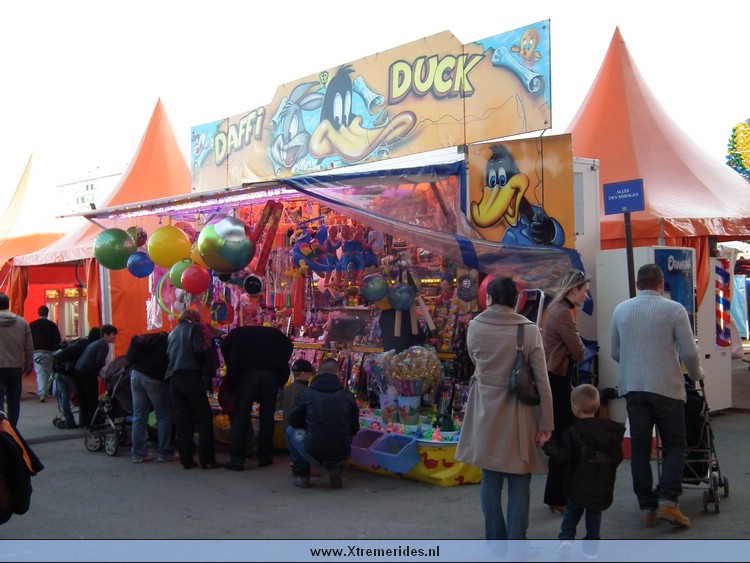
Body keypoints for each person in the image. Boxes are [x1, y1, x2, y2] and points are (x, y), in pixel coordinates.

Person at [455, 277, 554, 551]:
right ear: (516, 300)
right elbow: (542, 380)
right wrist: (546, 423)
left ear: (488, 298)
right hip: (520, 413)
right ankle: (517, 545)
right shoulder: (528, 330)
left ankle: (495, 542)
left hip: (485, 410)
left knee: (490, 478)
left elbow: (474, 359)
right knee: (520, 479)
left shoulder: (475, 326)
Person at [611, 263, 705, 528]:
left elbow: (615, 352)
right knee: (675, 444)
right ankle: (668, 500)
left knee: (640, 450)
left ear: (637, 285)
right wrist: (697, 374)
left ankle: (647, 507)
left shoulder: (621, 310)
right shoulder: (674, 309)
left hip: (633, 387)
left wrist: (635, 363)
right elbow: (689, 352)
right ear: (661, 285)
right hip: (666, 388)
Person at [542, 384, 625, 558]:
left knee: (573, 511)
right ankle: (591, 550)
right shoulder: (610, 432)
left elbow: (563, 455)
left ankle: (566, 538)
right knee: (594, 516)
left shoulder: (573, 432)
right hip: (602, 485)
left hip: (577, 484)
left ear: (575, 408)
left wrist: (546, 445)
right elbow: (618, 457)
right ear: (597, 406)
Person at [542, 269, 591, 514]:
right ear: (574, 290)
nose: (586, 296)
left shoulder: (557, 309)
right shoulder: (563, 313)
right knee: (563, 437)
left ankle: (558, 494)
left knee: (563, 435)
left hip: (555, 379)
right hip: (558, 381)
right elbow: (579, 352)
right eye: (584, 291)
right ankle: (557, 496)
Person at [220, 318, 293, 471]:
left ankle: (237, 459)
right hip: (270, 374)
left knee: (241, 415)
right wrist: (278, 362)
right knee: (267, 415)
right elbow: (288, 346)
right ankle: (264, 456)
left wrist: (234, 364)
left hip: (246, 374)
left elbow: (225, 347)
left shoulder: (238, 333)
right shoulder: (273, 333)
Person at [285, 358, 359, 489]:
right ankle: (336, 468)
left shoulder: (307, 393)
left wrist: (308, 425)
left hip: (313, 450)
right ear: (338, 373)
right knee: (340, 435)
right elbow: (354, 429)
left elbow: (293, 421)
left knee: (290, 430)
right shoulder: (347, 396)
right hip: (342, 451)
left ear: (319, 373)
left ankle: (302, 474)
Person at [165, 309, 221, 470]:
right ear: (195, 319)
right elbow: (198, 349)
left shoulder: (173, 332)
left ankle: (186, 458)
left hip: (174, 378)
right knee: (204, 416)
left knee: (183, 418)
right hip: (190, 375)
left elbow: (168, 354)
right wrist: (204, 364)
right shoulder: (193, 329)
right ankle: (207, 458)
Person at [126, 331, 177, 463]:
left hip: (136, 374)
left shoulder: (152, 339)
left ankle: (138, 453)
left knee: (139, 416)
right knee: (163, 415)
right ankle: (165, 452)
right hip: (154, 378)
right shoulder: (168, 342)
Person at [0, 293, 34, 428]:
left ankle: (2, 428)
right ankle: (12, 428)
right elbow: (29, 345)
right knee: (14, 400)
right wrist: (28, 364)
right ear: (8, 304)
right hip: (15, 366)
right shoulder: (21, 322)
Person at [74, 325, 117, 429]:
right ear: (105, 335)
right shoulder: (104, 345)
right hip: (88, 372)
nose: (115, 337)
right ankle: (92, 423)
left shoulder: (95, 343)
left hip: (78, 369)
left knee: (83, 398)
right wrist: (103, 375)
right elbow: (98, 362)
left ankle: (84, 422)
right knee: (92, 398)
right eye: (113, 334)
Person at [29, 305, 61, 402]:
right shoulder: (52, 325)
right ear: (47, 313)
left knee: (40, 372)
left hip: (37, 352)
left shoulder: (32, 325)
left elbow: (29, 340)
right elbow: (57, 340)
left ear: (38, 313)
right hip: (49, 352)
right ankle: (46, 391)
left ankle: (42, 393)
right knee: (48, 372)